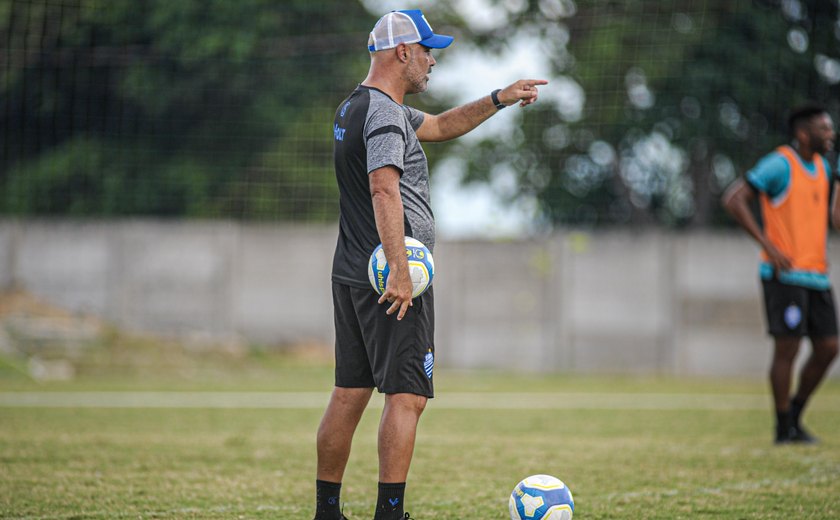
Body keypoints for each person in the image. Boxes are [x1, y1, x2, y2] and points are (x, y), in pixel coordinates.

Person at [315, 9, 547, 520]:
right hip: (393, 280)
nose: (432, 61)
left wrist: (498, 98)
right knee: (406, 396)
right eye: (427, 51)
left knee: (350, 392)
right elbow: (383, 186)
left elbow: (440, 125)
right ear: (403, 52)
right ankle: (390, 514)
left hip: (351, 269)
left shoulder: (359, 106)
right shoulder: (383, 113)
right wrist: (400, 269)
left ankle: (326, 511)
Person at [722, 102, 840, 444]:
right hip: (784, 276)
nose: (830, 134)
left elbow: (835, 220)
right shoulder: (780, 164)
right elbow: (734, 199)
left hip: (816, 274)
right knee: (787, 349)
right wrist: (769, 246)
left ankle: (796, 416)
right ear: (803, 134)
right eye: (824, 128)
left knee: (828, 347)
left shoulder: (823, 168)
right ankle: (782, 425)